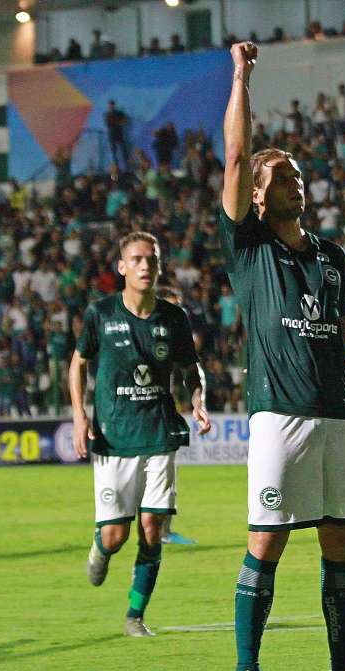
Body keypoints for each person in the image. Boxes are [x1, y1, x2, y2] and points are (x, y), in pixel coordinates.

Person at [220, 41, 345, 671]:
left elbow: (341, 334)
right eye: (283, 177)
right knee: (267, 542)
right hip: (279, 414)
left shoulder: (333, 256)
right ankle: (245, 669)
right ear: (258, 198)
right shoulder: (248, 246)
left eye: (297, 175)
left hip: (336, 412)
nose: (298, 183)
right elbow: (235, 156)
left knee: (342, 542)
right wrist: (241, 77)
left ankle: (342, 670)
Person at [69, 231, 211, 638]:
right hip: (114, 439)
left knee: (152, 530)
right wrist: (80, 416)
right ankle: (101, 546)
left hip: (160, 434)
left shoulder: (173, 318)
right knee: (115, 535)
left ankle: (135, 614)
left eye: (151, 259)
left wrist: (198, 399)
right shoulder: (101, 314)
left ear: (160, 266)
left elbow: (190, 369)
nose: (145, 265)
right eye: (137, 259)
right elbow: (77, 365)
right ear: (122, 267)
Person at [104, 100, 130, 172]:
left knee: (123, 151)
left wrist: (119, 122)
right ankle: (116, 168)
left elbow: (125, 120)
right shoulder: (107, 114)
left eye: (112, 105)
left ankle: (127, 167)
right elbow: (107, 123)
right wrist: (117, 122)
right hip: (111, 134)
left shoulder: (119, 113)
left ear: (114, 105)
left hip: (119, 134)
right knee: (114, 153)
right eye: (109, 105)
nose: (111, 106)